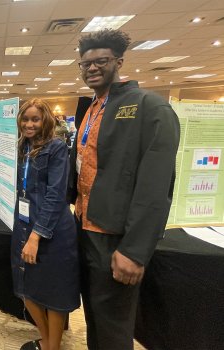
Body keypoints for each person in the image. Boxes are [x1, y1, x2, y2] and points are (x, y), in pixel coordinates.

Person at [68, 29, 180, 350]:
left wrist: (134, 250)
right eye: (85, 63)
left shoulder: (150, 108)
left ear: (118, 61)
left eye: (100, 61)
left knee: (114, 327)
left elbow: (156, 188)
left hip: (115, 237)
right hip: (84, 227)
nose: (91, 68)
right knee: (94, 314)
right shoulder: (92, 108)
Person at [12, 98, 80, 350]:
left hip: (51, 230)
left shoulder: (57, 147)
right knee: (26, 287)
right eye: (25, 119)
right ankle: (48, 341)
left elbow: (55, 194)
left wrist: (36, 236)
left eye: (35, 119)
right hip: (24, 223)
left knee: (54, 293)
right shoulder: (22, 146)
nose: (29, 124)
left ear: (45, 121)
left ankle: (52, 346)